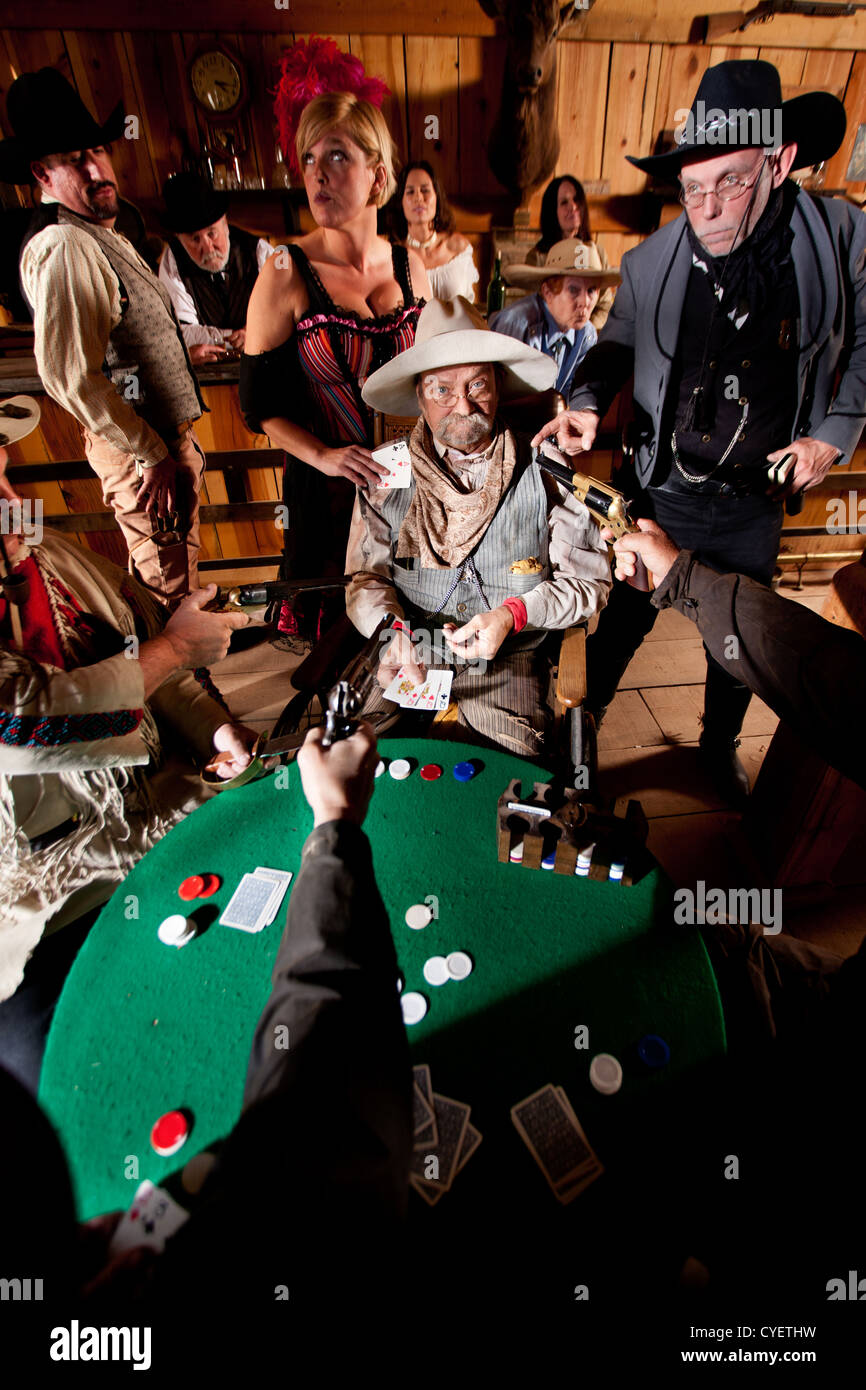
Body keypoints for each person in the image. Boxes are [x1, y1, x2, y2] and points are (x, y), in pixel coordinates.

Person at [534, 60, 865, 806]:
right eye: (692, 187)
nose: (707, 209)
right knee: (619, 625)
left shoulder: (843, 241)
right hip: (667, 485)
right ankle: (578, 749)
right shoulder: (653, 260)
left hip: (754, 500)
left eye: (731, 183)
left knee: (736, 638)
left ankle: (718, 747)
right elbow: (613, 344)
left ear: (779, 162)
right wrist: (586, 400)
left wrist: (834, 433)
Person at [0, 416, 256, 1081]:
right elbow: (27, 725)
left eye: (1, 470)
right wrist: (178, 647)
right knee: (75, 1083)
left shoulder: (49, 550)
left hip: (159, 826)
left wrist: (213, 728)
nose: (5, 498)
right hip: (39, 912)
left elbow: (143, 650)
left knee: (255, 988)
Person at [345, 295, 610, 757]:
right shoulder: (383, 476)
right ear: (417, 396)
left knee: (505, 781)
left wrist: (515, 614)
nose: (462, 405)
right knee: (354, 759)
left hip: (512, 657)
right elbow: (365, 578)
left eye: (477, 385)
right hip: (410, 648)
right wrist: (392, 630)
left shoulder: (548, 469)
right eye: (441, 390)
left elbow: (589, 585)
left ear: (499, 386)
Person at [1, 68, 209, 608]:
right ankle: (175, 686)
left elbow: (126, 338)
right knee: (167, 587)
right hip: (143, 454)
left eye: (97, 149)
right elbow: (70, 376)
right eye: (73, 159)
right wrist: (151, 455)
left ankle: (186, 680)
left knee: (177, 573)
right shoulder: (65, 244)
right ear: (41, 175)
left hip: (159, 447)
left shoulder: (96, 235)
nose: (95, 168)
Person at [240, 93, 431, 645]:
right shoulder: (284, 269)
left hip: (408, 483)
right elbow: (259, 406)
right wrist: (323, 457)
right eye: (307, 160)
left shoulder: (410, 264)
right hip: (329, 488)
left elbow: (431, 378)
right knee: (338, 645)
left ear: (377, 174)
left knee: (413, 634)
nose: (317, 174)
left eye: (337, 157)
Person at [607, 518, 866, 793]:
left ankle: (720, 742)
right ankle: (588, 717)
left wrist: (684, 579)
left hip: (749, 506)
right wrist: (683, 577)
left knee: (731, 659)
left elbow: (835, 685)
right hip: (665, 495)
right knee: (620, 630)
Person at [158, 172, 274, 364]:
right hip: (209, 372)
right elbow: (181, 331)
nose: (207, 247)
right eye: (195, 239)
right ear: (179, 238)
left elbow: (287, 317)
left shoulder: (260, 252)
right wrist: (235, 336)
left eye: (212, 234)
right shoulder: (173, 260)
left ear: (225, 224)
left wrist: (255, 332)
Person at [490, 241, 620, 399]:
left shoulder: (587, 334)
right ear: (548, 292)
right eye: (573, 289)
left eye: (591, 290)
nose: (585, 302)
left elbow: (582, 390)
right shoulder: (516, 324)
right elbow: (496, 397)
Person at [530, 174, 614, 330]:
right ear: (552, 211)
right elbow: (532, 308)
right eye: (564, 202)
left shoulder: (597, 254)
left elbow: (605, 306)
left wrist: (583, 329)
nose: (573, 206)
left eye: (576, 200)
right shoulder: (538, 257)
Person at [387, 159, 479, 302]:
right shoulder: (394, 256)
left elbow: (470, 308)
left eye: (425, 190)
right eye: (410, 192)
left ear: (437, 197)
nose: (418, 197)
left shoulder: (458, 247)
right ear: (401, 203)